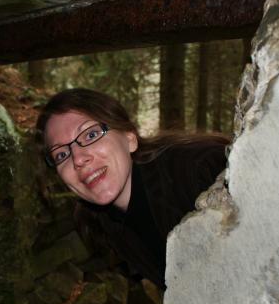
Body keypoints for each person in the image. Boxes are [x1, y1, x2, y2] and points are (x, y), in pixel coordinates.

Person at [36, 88, 228, 289]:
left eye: (91, 134)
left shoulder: (202, 171)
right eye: (61, 155)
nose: (77, 159)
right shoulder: (103, 223)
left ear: (130, 138)